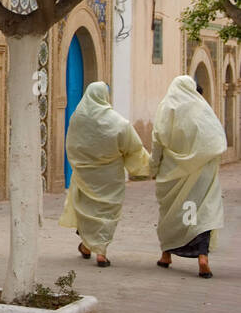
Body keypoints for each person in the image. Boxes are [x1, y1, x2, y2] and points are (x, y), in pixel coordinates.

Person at [60, 81, 151, 266]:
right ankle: (100, 251)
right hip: (110, 177)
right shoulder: (118, 122)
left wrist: (80, 162)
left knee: (87, 211)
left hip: (85, 175)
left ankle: (88, 247)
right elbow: (132, 146)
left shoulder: (77, 118)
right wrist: (144, 166)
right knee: (106, 214)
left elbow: (71, 144)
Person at [149, 75, 226, 278]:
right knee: (200, 213)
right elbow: (218, 139)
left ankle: (166, 255)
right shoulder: (203, 110)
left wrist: (152, 168)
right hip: (201, 173)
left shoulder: (166, 108)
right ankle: (202, 257)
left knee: (173, 214)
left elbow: (158, 141)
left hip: (173, 174)